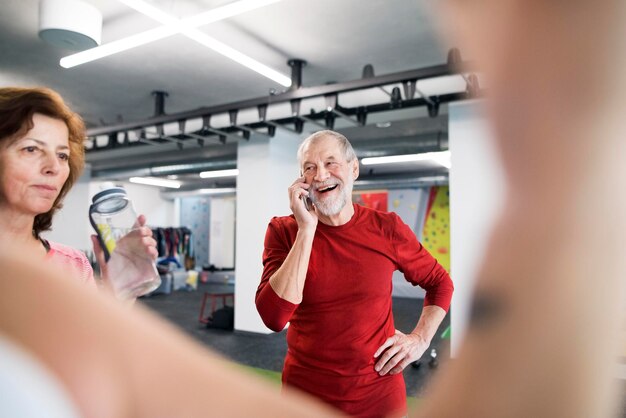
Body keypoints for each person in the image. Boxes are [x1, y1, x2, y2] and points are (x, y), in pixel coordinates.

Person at [255, 130, 454, 418]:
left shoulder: (387, 228)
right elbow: (273, 318)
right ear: (300, 181)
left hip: (379, 396)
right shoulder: (283, 231)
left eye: (331, 162)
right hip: (305, 397)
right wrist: (306, 229)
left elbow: (440, 282)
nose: (321, 175)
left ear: (354, 169)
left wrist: (420, 339)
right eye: (309, 168)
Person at [0, 87, 157, 294]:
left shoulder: (74, 267)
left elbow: (91, 328)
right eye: (32, 149)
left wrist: (118, 291)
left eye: (62, 156)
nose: (54, 167)